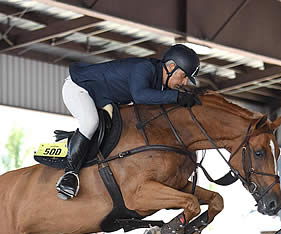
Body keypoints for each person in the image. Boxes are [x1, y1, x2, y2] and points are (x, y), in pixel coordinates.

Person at [56, 44, 201, 200]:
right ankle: (69, 175)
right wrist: (177, 98)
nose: (185, 83)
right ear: (171, 66)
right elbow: (140, 96)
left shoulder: (160, 83)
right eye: (184, 76)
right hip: (79, 88)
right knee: (91, 122)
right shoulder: (144, 68)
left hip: (102, 97)